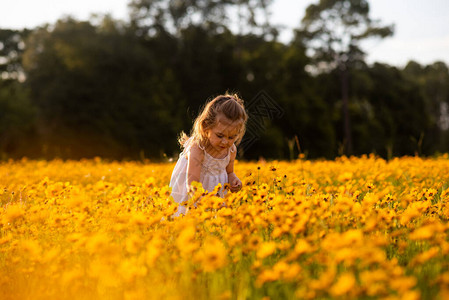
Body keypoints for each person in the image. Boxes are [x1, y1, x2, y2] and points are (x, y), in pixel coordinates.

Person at [169, 93, 248, 216]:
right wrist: (205, 202)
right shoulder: (198, 148)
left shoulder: (231, 150)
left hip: (216, 196)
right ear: (206, 126)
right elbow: (192, 183)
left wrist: (234, 181)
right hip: (193, 194)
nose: (225, 141)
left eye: (232, 137)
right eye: (220, 135)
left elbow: (229, 172)